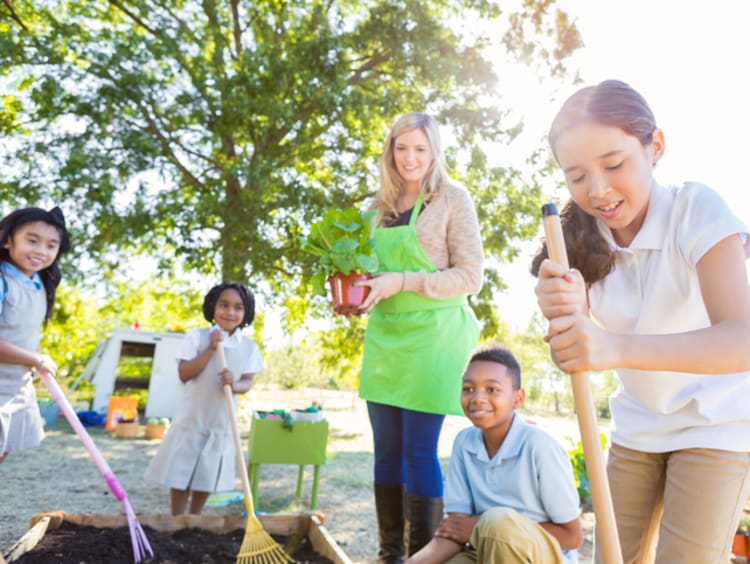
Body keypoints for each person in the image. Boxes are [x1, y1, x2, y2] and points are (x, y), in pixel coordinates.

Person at [532, 79, 750, 563]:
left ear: (655, 146)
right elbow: (576, 350)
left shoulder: (697, 211)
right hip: (638, 427)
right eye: (577, 176)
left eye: (613, 165)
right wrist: (563, 318)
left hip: (715, 426)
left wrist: (612, 348)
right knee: (612, 559)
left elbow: (742, 339)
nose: (598, 190)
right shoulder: (577, 242)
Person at [355, 112, 484, 562]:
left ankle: (419, 559)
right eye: (402, 147)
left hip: (433, 337)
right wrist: (355, 294)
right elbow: (367, 272)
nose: (410, 158)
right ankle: (388, 556)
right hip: (386, 338)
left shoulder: (452, 199)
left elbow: (471, 276)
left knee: (417, 452)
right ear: (390, 150)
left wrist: (403, 281)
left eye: (420, 149)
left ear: (434, 153)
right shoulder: (375, 208)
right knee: (385, 453)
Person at [407, 343, 582, 563]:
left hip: (540, 556)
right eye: (468, 388)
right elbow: (456, 530)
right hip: (483, 550)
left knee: (497, 522)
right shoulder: (464, 443)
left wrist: (482, 526)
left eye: (492, 389)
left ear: (517, 399)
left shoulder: (539, 447)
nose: (477, 398)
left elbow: (572, 536)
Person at [144, 282, 262, 515]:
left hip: (220, 421)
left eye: (238, 307)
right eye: (224, 305)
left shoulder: (249, 348)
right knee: (181, 472)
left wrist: (234, 384)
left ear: (246, 313)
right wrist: (210, 349)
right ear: (212, 307)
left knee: (206, 474)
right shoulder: (197, 337)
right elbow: (184, 373)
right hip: (193, 417)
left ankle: (195, 517)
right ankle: (177, 518)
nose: (230, 312)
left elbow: (248, 382)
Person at [0, 206, 71, 464]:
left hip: (15, 384)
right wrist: (34, 359)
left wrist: (36, 357)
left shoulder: (41, 285)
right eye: (32, 241)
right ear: (7, 239)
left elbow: (25, 330)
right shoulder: (3, 280)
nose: (41, 251)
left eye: (51, 245)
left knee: (3, 448)